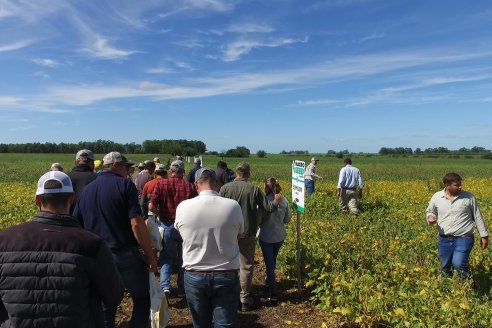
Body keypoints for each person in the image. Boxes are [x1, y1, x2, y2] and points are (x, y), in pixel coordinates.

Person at [0, 171, 124, 328]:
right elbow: (114, 295)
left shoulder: (3, 240)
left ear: (37, 200)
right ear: (72, 199)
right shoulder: (92, 244)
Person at [73, 151, 157, 328]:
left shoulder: (87, 190)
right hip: (123, 252)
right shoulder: (125, 185)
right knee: (142, 296)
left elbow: (77, 224)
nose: (128, 171)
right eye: (126, 167)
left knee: (105, 303)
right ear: (115, 166)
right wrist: (150, 255)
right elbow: (136, 224)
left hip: (96, 255)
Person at [175, 168, 244, 327]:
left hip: (194, 273)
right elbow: (239, 235)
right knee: (225, 324)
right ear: (217, 184)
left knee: (200, 323)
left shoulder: (183, 207)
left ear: (196, 185)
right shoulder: (233, 206)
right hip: (225, 273)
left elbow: (181, 234)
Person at [219, 163, 282, 312]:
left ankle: (229, 295)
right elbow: (268, 208)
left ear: (236, 173)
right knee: (246, 266)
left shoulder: (225, 189)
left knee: (227, 264)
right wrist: (277, 201)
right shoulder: (253, 189)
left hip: (227, 233)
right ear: (248, 174)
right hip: (247, 232)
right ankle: (244, 299)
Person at [149, 159, 197, 296]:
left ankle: (165, 286)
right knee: (184, 258)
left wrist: (160, 215)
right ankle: (182, 288)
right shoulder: (189, 186)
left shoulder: (161, 184)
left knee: (166, 257)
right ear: (183, 172)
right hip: (184, 227)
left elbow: (151, 206)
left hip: (166, 224)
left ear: (171, 171)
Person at [426, 172, 489, 278]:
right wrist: (430, 217)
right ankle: (450, 289)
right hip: (444, 238)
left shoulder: (469, 197)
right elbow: (430, 211)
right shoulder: (437, 197)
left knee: (458, 263)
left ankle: (467, 285)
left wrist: (484, 235)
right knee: (445, 267)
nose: (460, 187)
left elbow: (477, 216)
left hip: (464, 237)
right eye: (457, 185)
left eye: (460, 184)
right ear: (447, 185)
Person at [257, 178, 291, 304]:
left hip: (266, 236)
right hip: (279, 236)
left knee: (270, 265)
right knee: (272, 260)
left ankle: (273, 292)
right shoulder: (284, 200)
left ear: (265, 187)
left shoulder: (263, 201)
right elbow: (287, 220)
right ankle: (269, 281)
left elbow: (259, 220)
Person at [67, 149, 96, 214]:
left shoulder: (65, 177)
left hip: (68, 221)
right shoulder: (98, 178)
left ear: (75, 162)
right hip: (89, 222)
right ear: (92, 163)